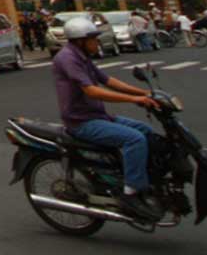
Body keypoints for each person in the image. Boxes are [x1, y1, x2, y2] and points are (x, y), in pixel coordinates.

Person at [51, 16, 163, 223]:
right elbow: (92, 90)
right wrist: (133, 99)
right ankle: (130, 194)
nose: (97, 42)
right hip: (82, 122)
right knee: (134, 139)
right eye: (93, 38)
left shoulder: (83, 57)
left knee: (146, 131)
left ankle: (141, 179)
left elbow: (108, 81)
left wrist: (146, 93)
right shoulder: (67, 58)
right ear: (80, 40)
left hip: (99, 116)